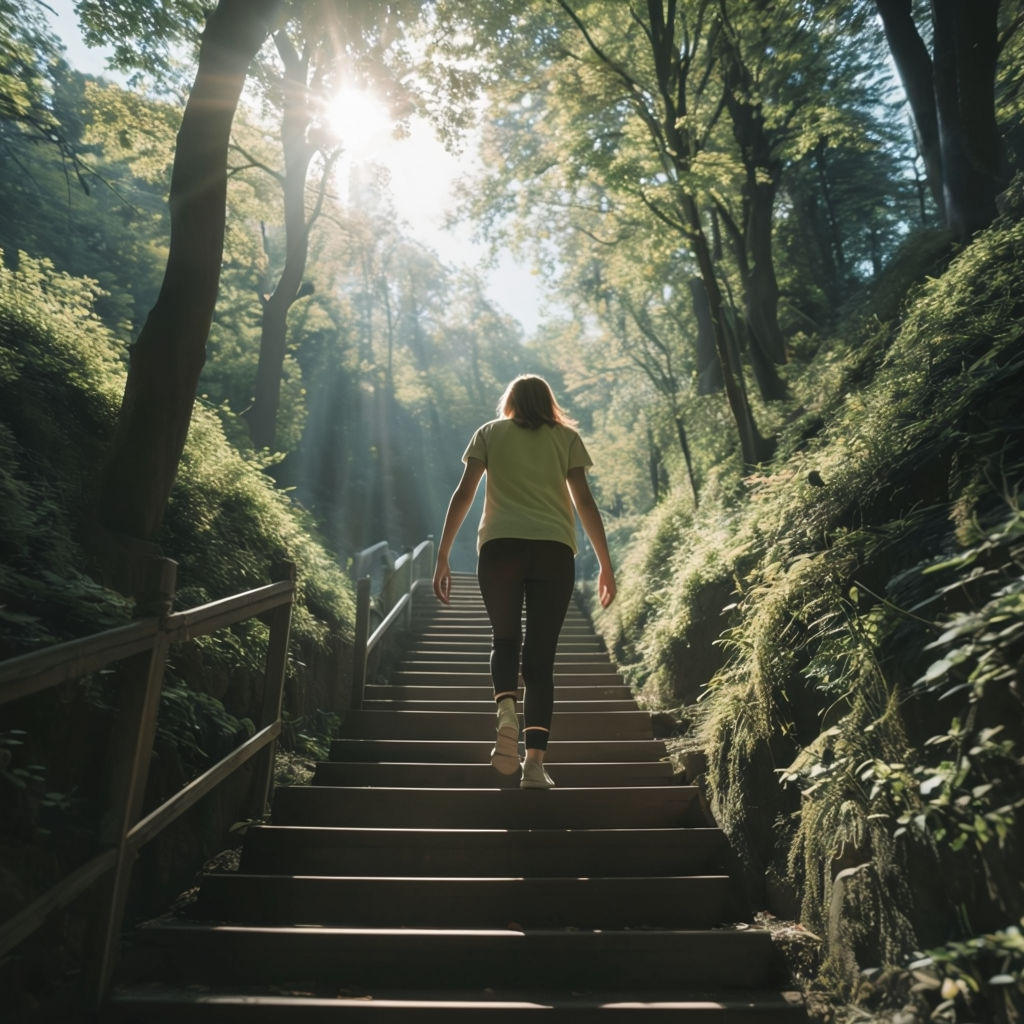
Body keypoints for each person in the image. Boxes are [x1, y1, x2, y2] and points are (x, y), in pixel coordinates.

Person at [432, 374, 616, 789]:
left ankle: (506, 713)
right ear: (549, 402)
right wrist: (605, 563)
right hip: (553, 551)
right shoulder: (565, 438)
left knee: (505, 640)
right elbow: (584, 501)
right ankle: (534, 766)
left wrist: (442, 554)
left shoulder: (489, 433)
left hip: (500, 549)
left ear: (510, 401)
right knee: (540, 660)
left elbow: (464, 494)